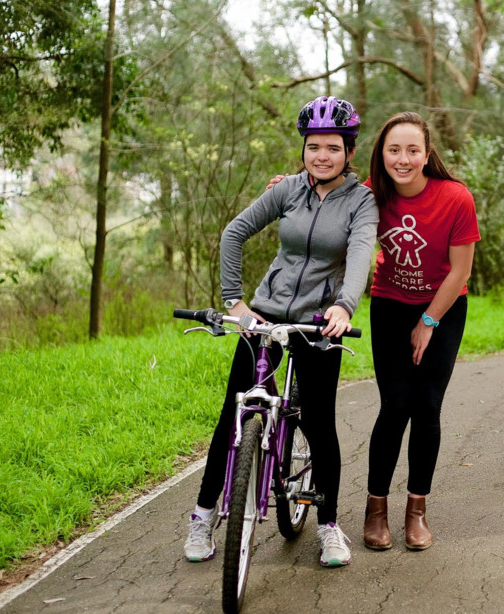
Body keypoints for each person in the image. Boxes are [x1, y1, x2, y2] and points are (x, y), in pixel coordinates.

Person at [184, 96, 378, 568]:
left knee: (318, 423)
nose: (323, 155)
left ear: (349, 151)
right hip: (265, 318)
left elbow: (359, 254)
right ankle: (203, 515)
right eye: (314, 146)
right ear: (304, 148)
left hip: (318, 325)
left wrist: (343, 306)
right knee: (236, 416)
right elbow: (235, 232)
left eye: (333, 147)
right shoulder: (289, 189)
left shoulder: (362, 201)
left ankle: (329, 525)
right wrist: (236, 301)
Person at [361, 112, 480, 551]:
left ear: (427, 154)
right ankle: (376, 511)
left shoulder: (455, 198)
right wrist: (288, 187)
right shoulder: (371, 195)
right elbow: (323, 189)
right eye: (394, 150)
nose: (403, 159)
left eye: (413, 150)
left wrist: (428, 322)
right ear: (382, 154)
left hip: (445, 308)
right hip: (390, 306)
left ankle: (417, 511)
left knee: (427, 408)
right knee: (394, 407)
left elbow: (461, 270)